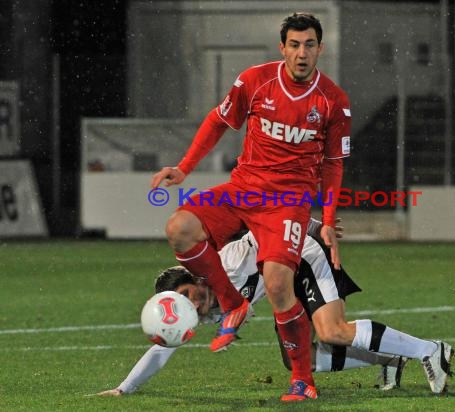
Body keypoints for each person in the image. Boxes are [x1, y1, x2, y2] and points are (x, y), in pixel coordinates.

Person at [151, 13, 350, 401]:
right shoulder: (254, 80)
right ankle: (231, 302)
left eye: (309, 45)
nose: (302, 53)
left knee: (278, 285)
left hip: (287, 200)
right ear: (283, 48)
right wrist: (184, 167)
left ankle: (303, 381)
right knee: (180, 229)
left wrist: (326, 220)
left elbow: (333, 164)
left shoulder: (333, 102)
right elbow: (218, 120)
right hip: (244, 189)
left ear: (320, 49)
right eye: (294, 45)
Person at [97, 221, 454, 397]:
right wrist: (123, 389)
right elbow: (161, 350)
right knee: (301, 360)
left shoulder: (229, 264)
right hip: (283, 288)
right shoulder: (196, 311)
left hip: (303, 254)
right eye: (187, 302)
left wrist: (315, 225)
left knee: (332, 331)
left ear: (198, 277)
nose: (195, 303)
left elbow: (268, 224)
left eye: (191, 293)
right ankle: (389, 359)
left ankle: (430, 350)